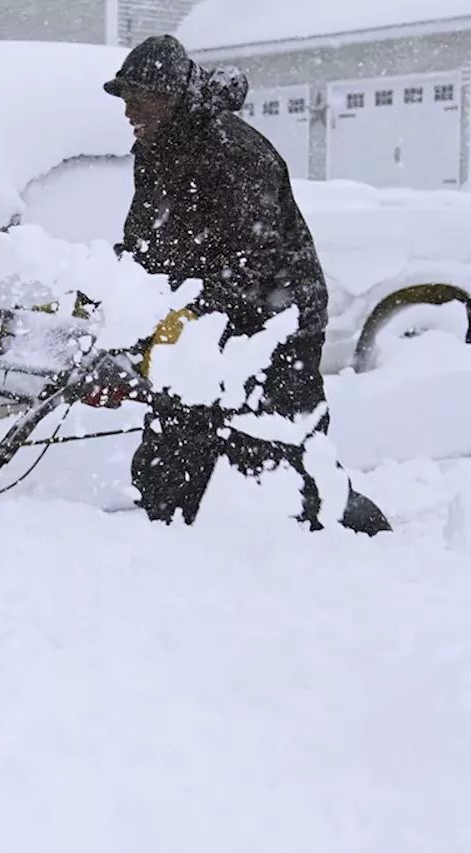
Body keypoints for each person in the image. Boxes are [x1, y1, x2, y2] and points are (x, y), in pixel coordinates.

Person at [99, 34, 392, 536]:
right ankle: (163, 541)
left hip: (277, 324)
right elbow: (144, 239)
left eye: (139, 98)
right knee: (171, 449)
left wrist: (189, 310)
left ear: (170, 96)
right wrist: (120, 290)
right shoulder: (153, 150)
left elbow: (252, 258)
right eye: (125, 99)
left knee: (283, 455)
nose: (129, 111)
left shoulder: (233, 151)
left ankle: (356, 542)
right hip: (204, 323)